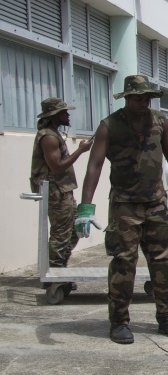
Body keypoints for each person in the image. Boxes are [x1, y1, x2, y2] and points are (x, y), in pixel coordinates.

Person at [76, 75, 168, 344]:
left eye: (147, 98)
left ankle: (167, 317)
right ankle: (119, 322)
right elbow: (95, 165)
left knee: (162, 262)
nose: (143, 102)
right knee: (123, 264)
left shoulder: (159, 122)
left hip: (156, 203)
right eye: (138, 98)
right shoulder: (109, 126)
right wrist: (85, 206)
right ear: (128, 98)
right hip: (124, 205)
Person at [30, 98, 93, 282]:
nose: (68, 115)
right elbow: (56, 167)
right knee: (60, 233)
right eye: (64, 112)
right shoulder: (48, 137)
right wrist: (80, 151)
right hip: (56, 191)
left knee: (75, 229)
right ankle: (55, 276)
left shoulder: (54, 134)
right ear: (55, 115)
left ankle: (60, 269)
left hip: (63, 189)